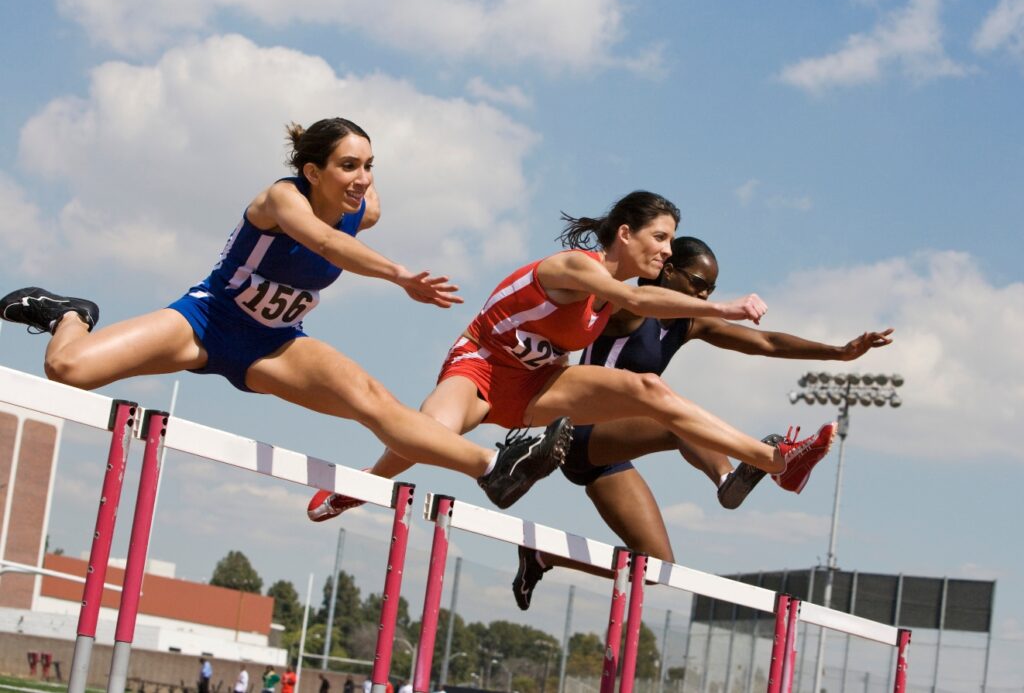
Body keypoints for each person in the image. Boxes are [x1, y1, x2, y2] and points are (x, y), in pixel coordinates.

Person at [0, 118, 570, 510]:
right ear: (312, 170)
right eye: (348, 165)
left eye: (369, 165)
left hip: (274, 343)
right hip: (206, 321)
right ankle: (70, 313)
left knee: (374, 403)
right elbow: (323, 243)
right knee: (68, 371)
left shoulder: (364, 208)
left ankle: (496, 465)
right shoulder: (280, 198)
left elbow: (343, 228)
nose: (363, 179)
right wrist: (400, 276)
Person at [308, 191, 836, 522]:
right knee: (427, 432)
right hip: (482, 366)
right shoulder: (575, 268)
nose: (667, 252)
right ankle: (359, 486)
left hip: (541, 383)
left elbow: (641, 300)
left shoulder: (619, 288)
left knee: (649, 390)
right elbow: (639, 299)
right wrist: (726, 307)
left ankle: (776, 462)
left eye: (671, 243)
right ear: (625, 234)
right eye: (661, 237)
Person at [509, 236, 895, 608]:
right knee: (670, 411)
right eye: (698, 284)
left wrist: (839, 353)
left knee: (657, 566)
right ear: (669, 270)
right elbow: (597, 295)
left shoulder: (688, 323)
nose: (704, 297)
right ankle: (730, 478)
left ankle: (543, 557)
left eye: (711, 289)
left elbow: (766, 343)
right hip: (577, 431)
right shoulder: (629, 308)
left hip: (606, 455)